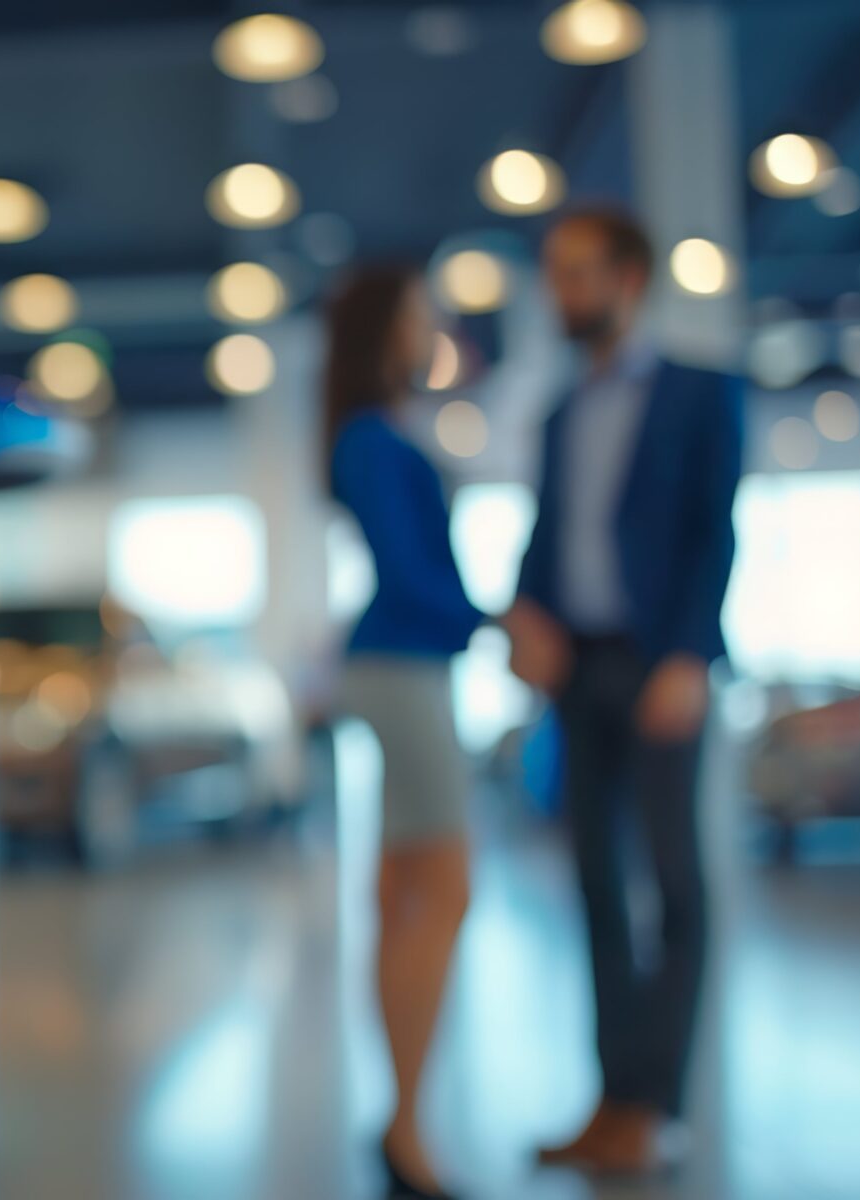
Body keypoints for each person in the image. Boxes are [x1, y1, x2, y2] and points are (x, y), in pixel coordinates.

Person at [503, 207, 744, 1174]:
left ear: (628, 277)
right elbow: (547, 536)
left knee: (675, 883)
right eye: (553, 274)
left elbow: (714, 532)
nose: (563, 292)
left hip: (661, 666)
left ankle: (659, 1107)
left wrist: (690, 652)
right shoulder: (561, 414)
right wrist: (523, 610)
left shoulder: (698, 393)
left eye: (577, 273)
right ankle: (611, 1101)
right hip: (579, 666)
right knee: (596, 885)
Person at [325, 264, 485, 1200]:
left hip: (396, 668)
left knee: (401, 895)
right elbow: (410, 575)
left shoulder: (370, 434)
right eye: (423, 317)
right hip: (405, 672)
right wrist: (495, 623)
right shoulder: (373, 440)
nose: (433, 332)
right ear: (388, 328)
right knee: (443, 888)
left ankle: (401, 1120)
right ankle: (407, 1126)